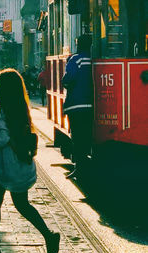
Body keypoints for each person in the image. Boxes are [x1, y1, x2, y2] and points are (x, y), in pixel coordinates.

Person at [0, 68, 60, 253]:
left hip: (4, 166)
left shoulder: (3, 110)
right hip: (18, 165)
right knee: (22, 204)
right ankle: (49, 235)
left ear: (2, 88)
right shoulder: (20, 107)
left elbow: (3, 138)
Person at [62, 34, 94, 180]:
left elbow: (68, 79)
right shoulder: (93, 58)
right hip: (89, 105)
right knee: (86, 135)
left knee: (77, 137)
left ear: (78, 44)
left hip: (75, 104)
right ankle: (86, 164)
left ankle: (80, 168)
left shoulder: (76, 59)